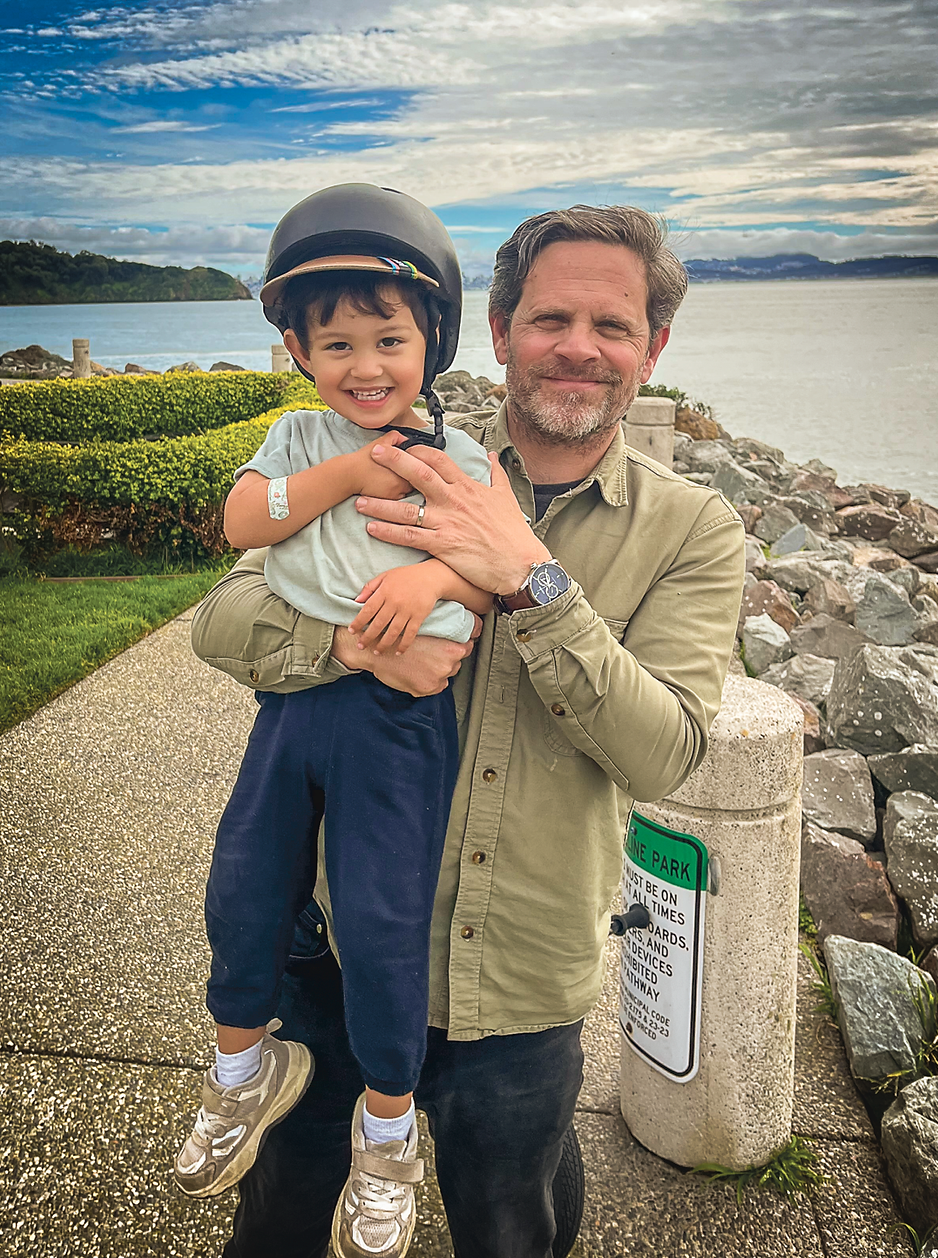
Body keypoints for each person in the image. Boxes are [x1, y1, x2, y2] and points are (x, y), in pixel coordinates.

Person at [191, 198, 746, 1258]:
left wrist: (528, 579)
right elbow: (222, 613)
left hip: (521, 980)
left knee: (512, 1227)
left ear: (652, 347)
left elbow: (664, 748)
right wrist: (347, 644)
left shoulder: (691, 529)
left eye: (612, 326)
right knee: (280, 1217)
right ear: (495, 332)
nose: (577, 347)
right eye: (547, 320)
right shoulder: (391, 446)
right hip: (335, 948)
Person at [176, 184, 492, 1258]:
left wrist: (437, 573)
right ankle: (237, 1070)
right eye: (338, 343)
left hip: (395, 725)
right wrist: (348, 470)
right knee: (242, 883)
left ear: (429, 340)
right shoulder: (299, 436)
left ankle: (388, 1131)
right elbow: (237, 521)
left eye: (388, 339)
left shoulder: (461, 458)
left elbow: (499, 570)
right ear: (300, 355)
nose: (366, 364)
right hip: (295, 702)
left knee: (380, 926)